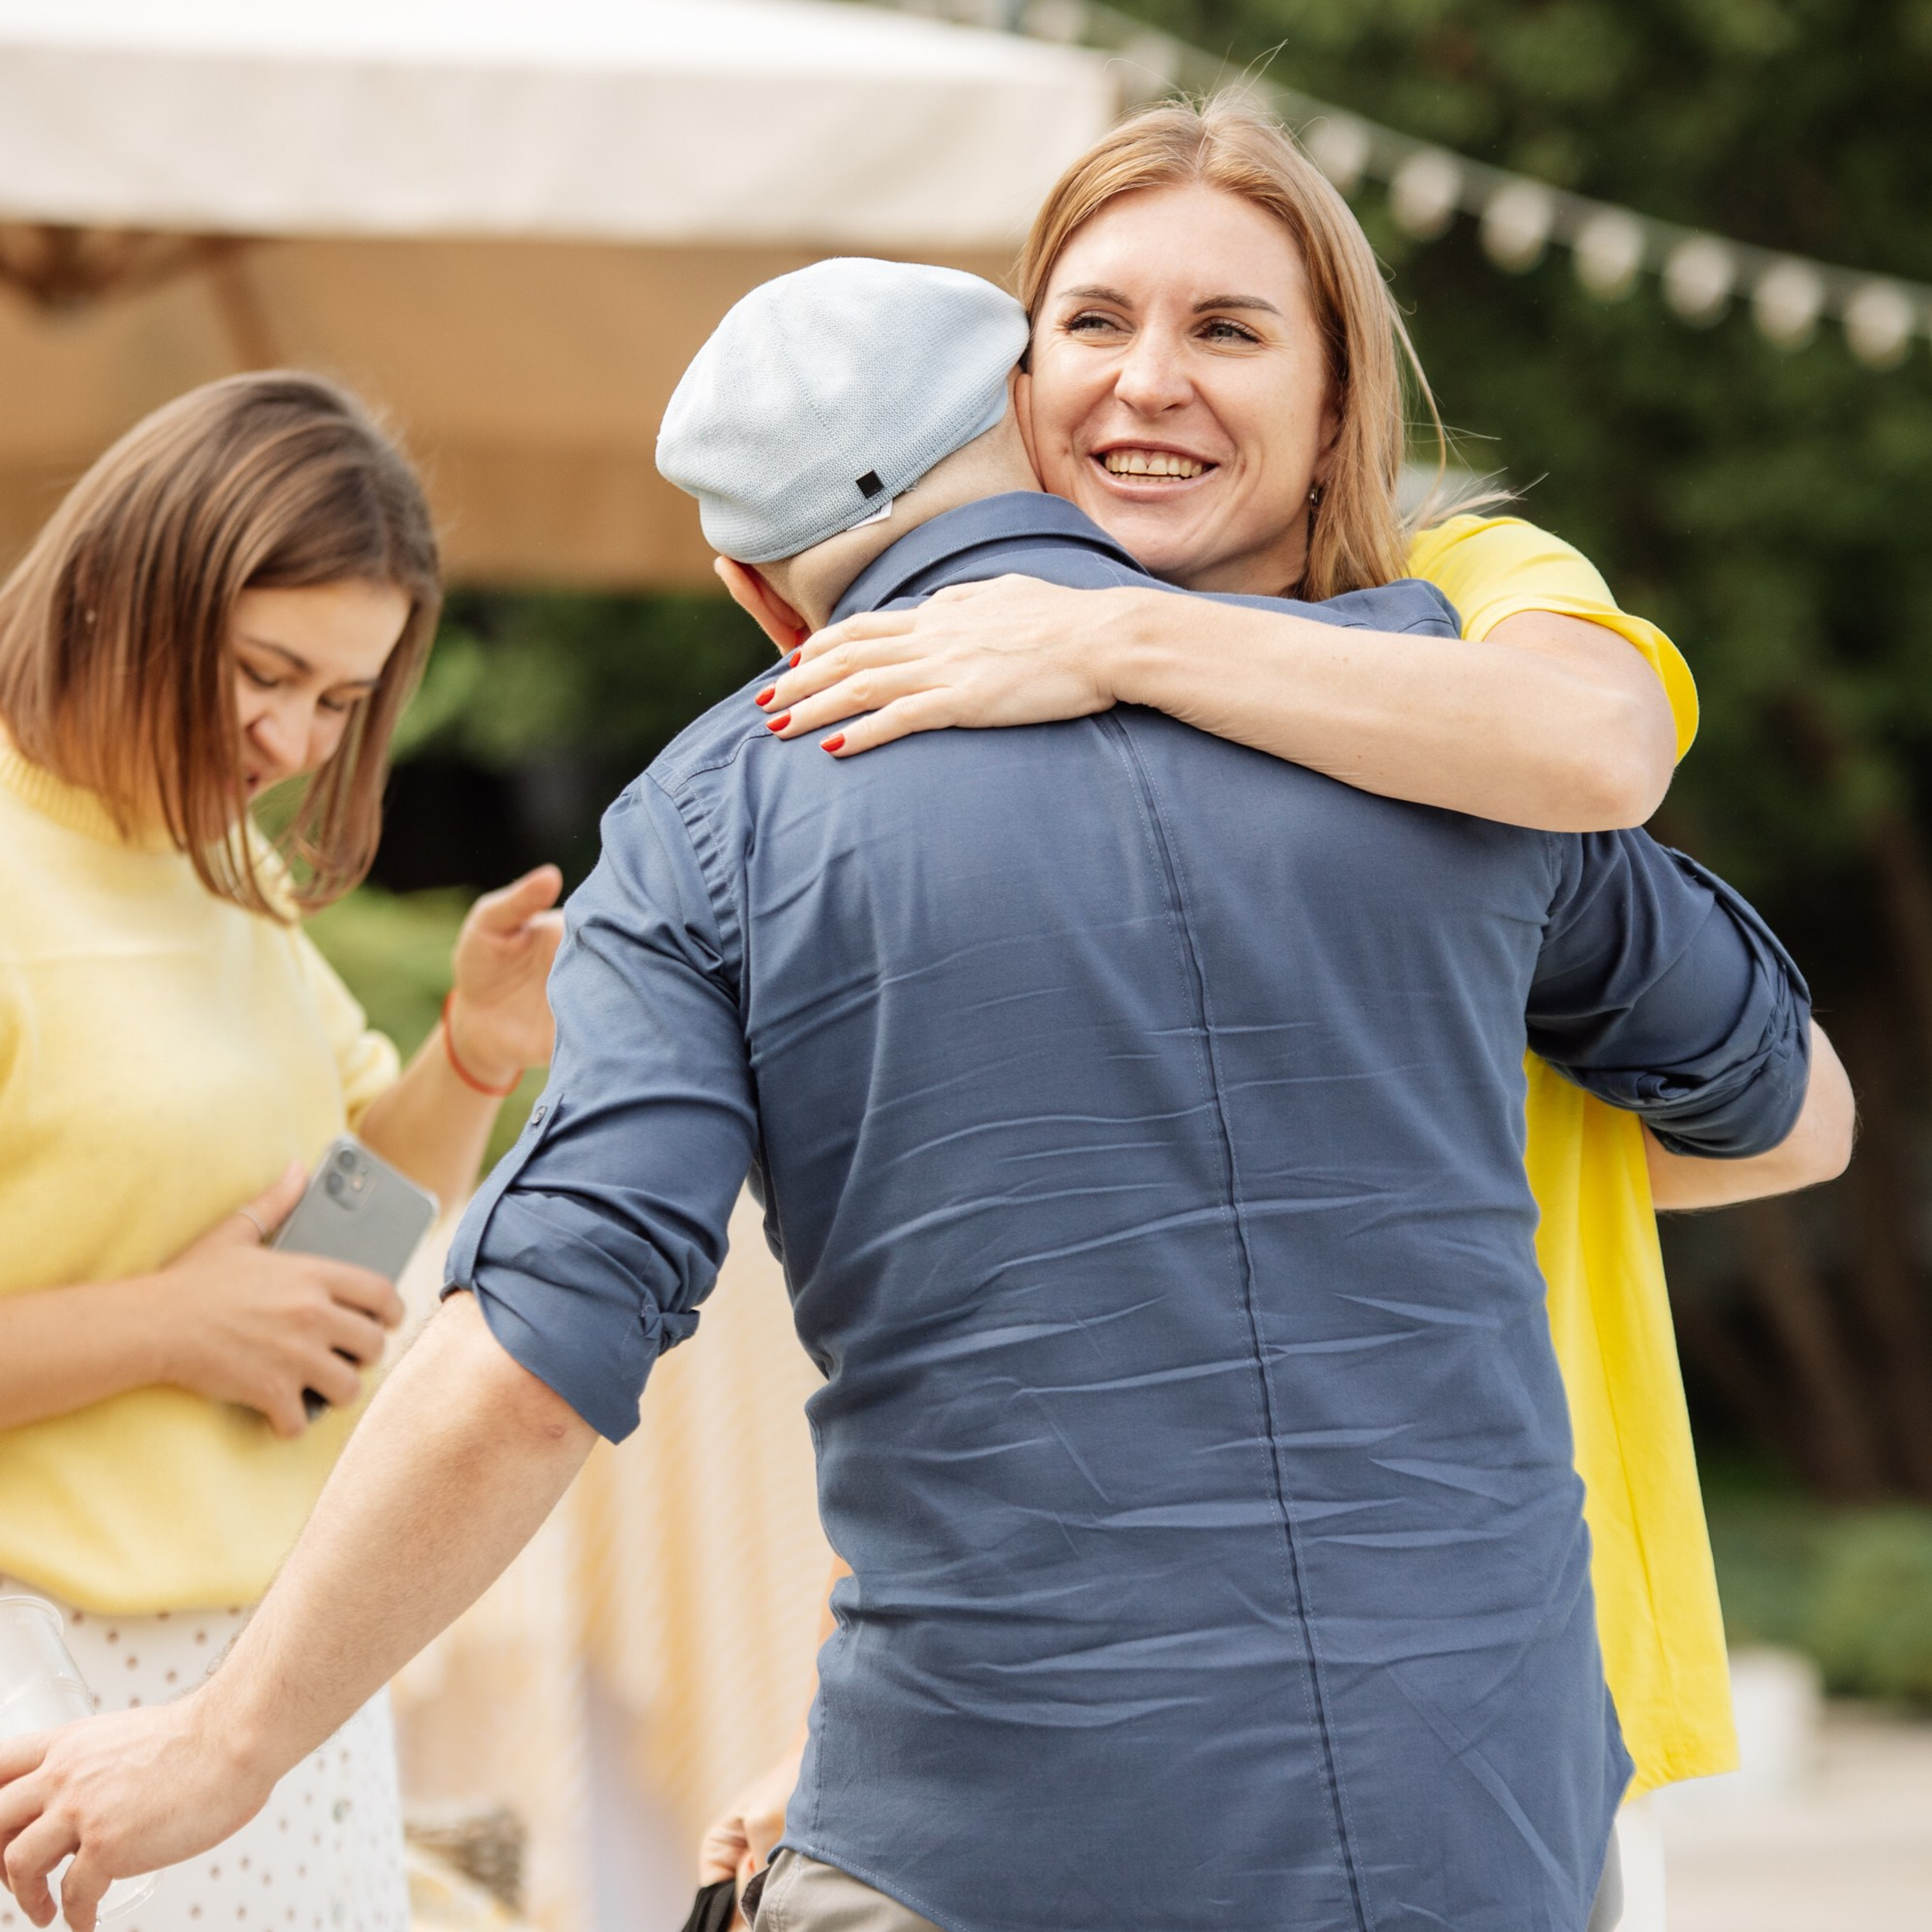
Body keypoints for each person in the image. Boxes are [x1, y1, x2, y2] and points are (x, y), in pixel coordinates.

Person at [0, 260, 1850, 1932]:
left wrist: (223, 1748)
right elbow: (1782, 1116)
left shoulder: (713, 821)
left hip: (994, 1822)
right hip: (1487, 1815)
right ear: (1039, 444)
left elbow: (528, 1364)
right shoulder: (1430, 712)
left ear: (751, 593)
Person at [708, 97, 1756, 1917]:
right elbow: (999, 1323)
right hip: (1141, 1714)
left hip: (1509, 1665)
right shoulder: (979, 722)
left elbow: (1629, 804)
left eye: (1227, 329)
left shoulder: (1457, 594)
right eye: (1092, 324)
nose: (1145, 384)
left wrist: (1113, 640)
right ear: (1008, 384)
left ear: (1337, 400)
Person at [0, 374, 561, 1932]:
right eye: (266, 671)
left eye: (338, 698)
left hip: (271, 1687)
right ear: (125, 584)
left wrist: (472, 1048)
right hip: (36, 1682)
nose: (294, 736)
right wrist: (171, 1323)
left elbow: (340, 1235)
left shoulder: (219, 861)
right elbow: (231, 1306)